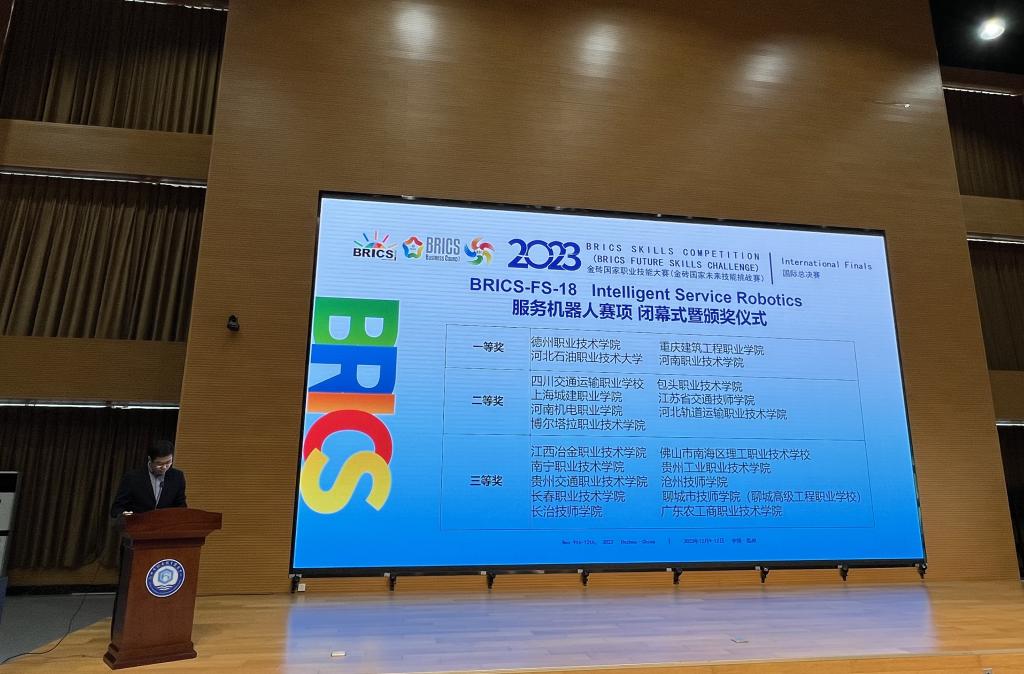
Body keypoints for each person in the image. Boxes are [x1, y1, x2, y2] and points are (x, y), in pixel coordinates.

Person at [109, 439, 187, 518]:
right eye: (159, 463)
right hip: (138, 524)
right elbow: (116, 508)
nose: (164, 467)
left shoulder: (177, 477)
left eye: (168, 462)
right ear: (150, 459)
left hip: (166, 524)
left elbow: (181, 506)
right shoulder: (132, 477)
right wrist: (124, 514)